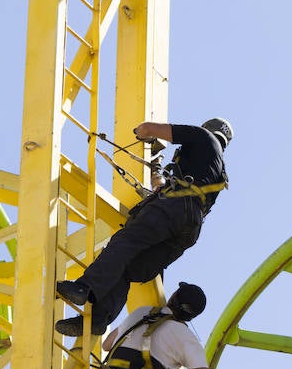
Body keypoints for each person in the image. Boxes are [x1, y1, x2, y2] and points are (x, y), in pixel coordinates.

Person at [55, 118, 231, 337]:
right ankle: (99, 319)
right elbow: (171, 190)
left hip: (175, 209)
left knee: (125, 243)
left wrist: (142, 132)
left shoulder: (202, 137)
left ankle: (85, 287)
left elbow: (148, 129)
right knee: (129, 267)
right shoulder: (217, 169)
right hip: (189, 228)